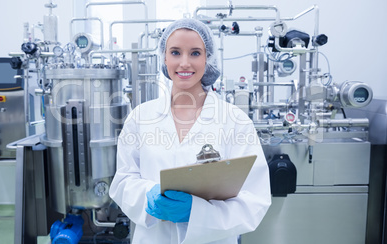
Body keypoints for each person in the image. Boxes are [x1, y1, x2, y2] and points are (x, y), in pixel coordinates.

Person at [109, 18, 271, 244]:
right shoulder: (140, 117)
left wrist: (197, 213)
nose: (184, 63)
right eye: (175, 52)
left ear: (208, 59)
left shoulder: (235, 121)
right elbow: (123, 181)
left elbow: (255, 200)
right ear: (164, 57)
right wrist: (147, 198)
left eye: (195, 53)